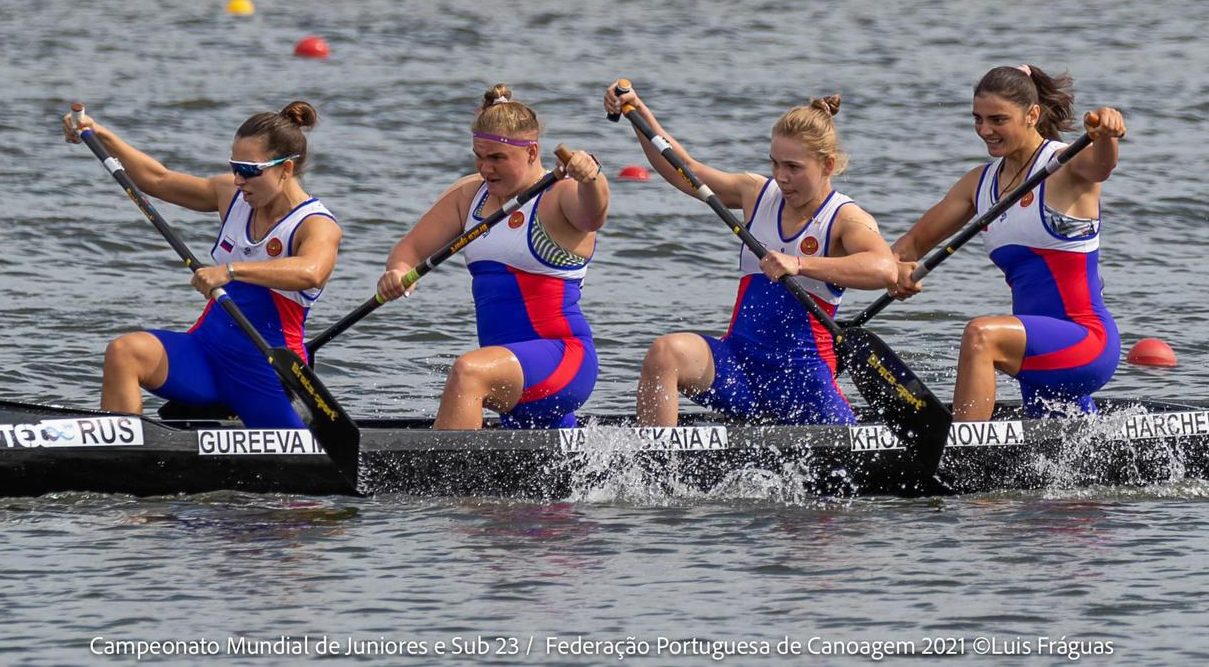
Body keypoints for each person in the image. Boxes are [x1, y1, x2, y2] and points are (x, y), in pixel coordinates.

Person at [603, 82, 898, 427]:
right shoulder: (757, 194)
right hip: (739, 367)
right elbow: (684, 170)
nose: (782, 177)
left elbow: (884, 269)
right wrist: (636, 110)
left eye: (793, 167)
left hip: (802, 383)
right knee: (665, 354)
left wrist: (799, 264)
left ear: (827, 165)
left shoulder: (845, 219)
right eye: (775, 164)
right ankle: (654, 458)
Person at [62, 101, 341, 428]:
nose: (239, 179)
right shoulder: (231, 195)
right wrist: (99, 134)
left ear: (286, 168)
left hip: (266, 376)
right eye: (235, 167)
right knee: (124, 352)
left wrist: (231, 271)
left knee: (305, 455)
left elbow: (312, 272)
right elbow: (159, 180)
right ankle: (125, 449)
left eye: (249, 170)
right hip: (207, 354)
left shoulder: (316, 225)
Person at [890, 64, 1126, 420]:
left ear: (1032, 115)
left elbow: (1102, 166)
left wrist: (1107, 135)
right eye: (978, 119)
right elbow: (910, 245)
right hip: (1036, 351)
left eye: (997, 120)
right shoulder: (979, 184)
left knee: (981, 336)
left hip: (1086, 342)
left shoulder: (1065, 165)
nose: (985, 130)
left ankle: (965, 449)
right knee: (1071, 447)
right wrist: (889, 272)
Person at [376, 84, 607, 430]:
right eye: (479, 157)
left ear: (531, 152)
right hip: (508, 368)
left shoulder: (559, 195)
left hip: (563, 361)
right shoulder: (469, 196)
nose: (485, 168)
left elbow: (594, 214)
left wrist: (592, 179)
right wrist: (397, 271)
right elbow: (410, 248)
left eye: (497, 158)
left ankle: (443, 468)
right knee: (551, 464)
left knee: (468, 372)